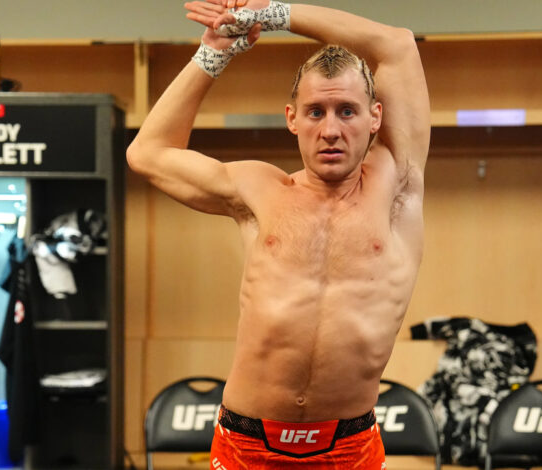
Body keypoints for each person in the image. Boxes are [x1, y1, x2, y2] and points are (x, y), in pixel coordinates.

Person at [127, 0, 430, 467]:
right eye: (316, 112)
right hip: (246, 444)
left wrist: (271, 13)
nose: (331, 130)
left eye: (347, 111)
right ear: (292, 118)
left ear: (375, 117)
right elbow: (147, 153)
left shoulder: (397, 187)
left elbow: (397, 45)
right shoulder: (258, 190)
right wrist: (213, 53)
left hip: (348, 449)